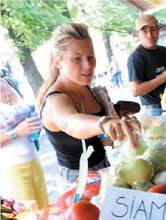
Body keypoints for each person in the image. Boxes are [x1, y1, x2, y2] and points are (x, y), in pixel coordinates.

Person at [36, 22, 139, 187]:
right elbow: (71, 122)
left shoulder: (86, 87)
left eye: (90, 57)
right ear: (57, 62)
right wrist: (104, 122)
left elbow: (97, 131)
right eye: (77, 59)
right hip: (77, 180)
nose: (88, 65)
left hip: (104, 166)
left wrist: (118, 117)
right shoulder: (55, 100)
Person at [0, 78, 49, 208]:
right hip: (12, 169)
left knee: (46, 212)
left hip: (33, 160)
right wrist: (16, 132)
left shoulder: (8, 82)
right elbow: (18, 130)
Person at [127, 14, 166, 116]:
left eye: (153, 29)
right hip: (155, 109)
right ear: (138, 34)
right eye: (144, 31)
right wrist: (163, 78)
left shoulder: (164, 51)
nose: (149, 35)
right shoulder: (136, 57)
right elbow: (135, 91)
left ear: (158, 31)